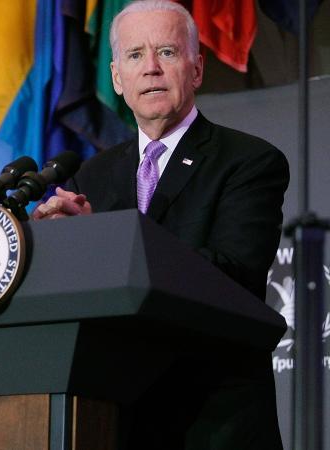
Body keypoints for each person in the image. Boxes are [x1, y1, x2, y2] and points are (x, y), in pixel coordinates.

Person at [33, 1, 288, 449]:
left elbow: (232, 274)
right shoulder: (89, 175)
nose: (150, 68)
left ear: (197, 69)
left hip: (212, 424)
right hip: (110, 421)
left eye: (167, 52)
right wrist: (49, 247)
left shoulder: (249, 162)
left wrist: (105, 241)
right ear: (116, 78)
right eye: (134, 55)